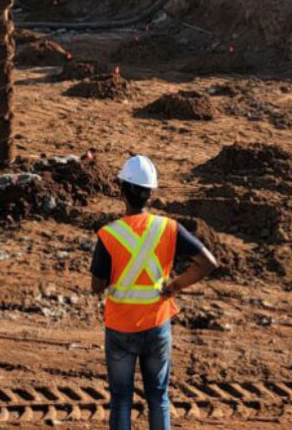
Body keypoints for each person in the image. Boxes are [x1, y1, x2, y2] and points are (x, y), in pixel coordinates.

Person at [91, 156, 218, 430]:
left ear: (122, 190)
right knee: (158, 397)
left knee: (121, 400)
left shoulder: (108, 235)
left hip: (120, 327)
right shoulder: (169, 228)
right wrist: (174, 286)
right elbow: (208, 262)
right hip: (157, 324)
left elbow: (96, 286)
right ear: (150, 193)